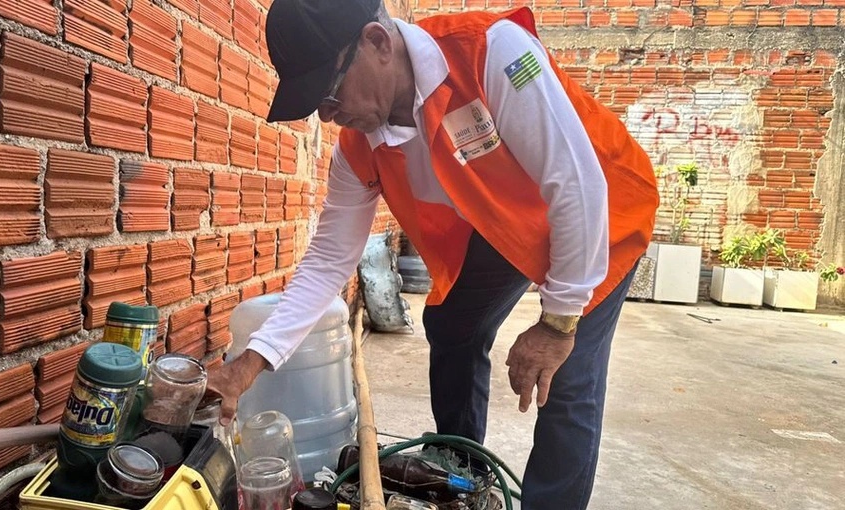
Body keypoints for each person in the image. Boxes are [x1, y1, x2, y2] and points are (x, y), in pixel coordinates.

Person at [205, 0, 660, 508]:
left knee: (567, 378)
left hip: (601, 214)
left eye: (330, 94)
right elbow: (329, 261)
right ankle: (463, 475)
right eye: (319, 106)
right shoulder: (359, 148)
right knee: (453, 326)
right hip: (509, 222)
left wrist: (556, 324)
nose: (331, 117)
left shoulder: (492, 54)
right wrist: (248, 363)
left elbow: (575, 185)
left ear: (378, 42)